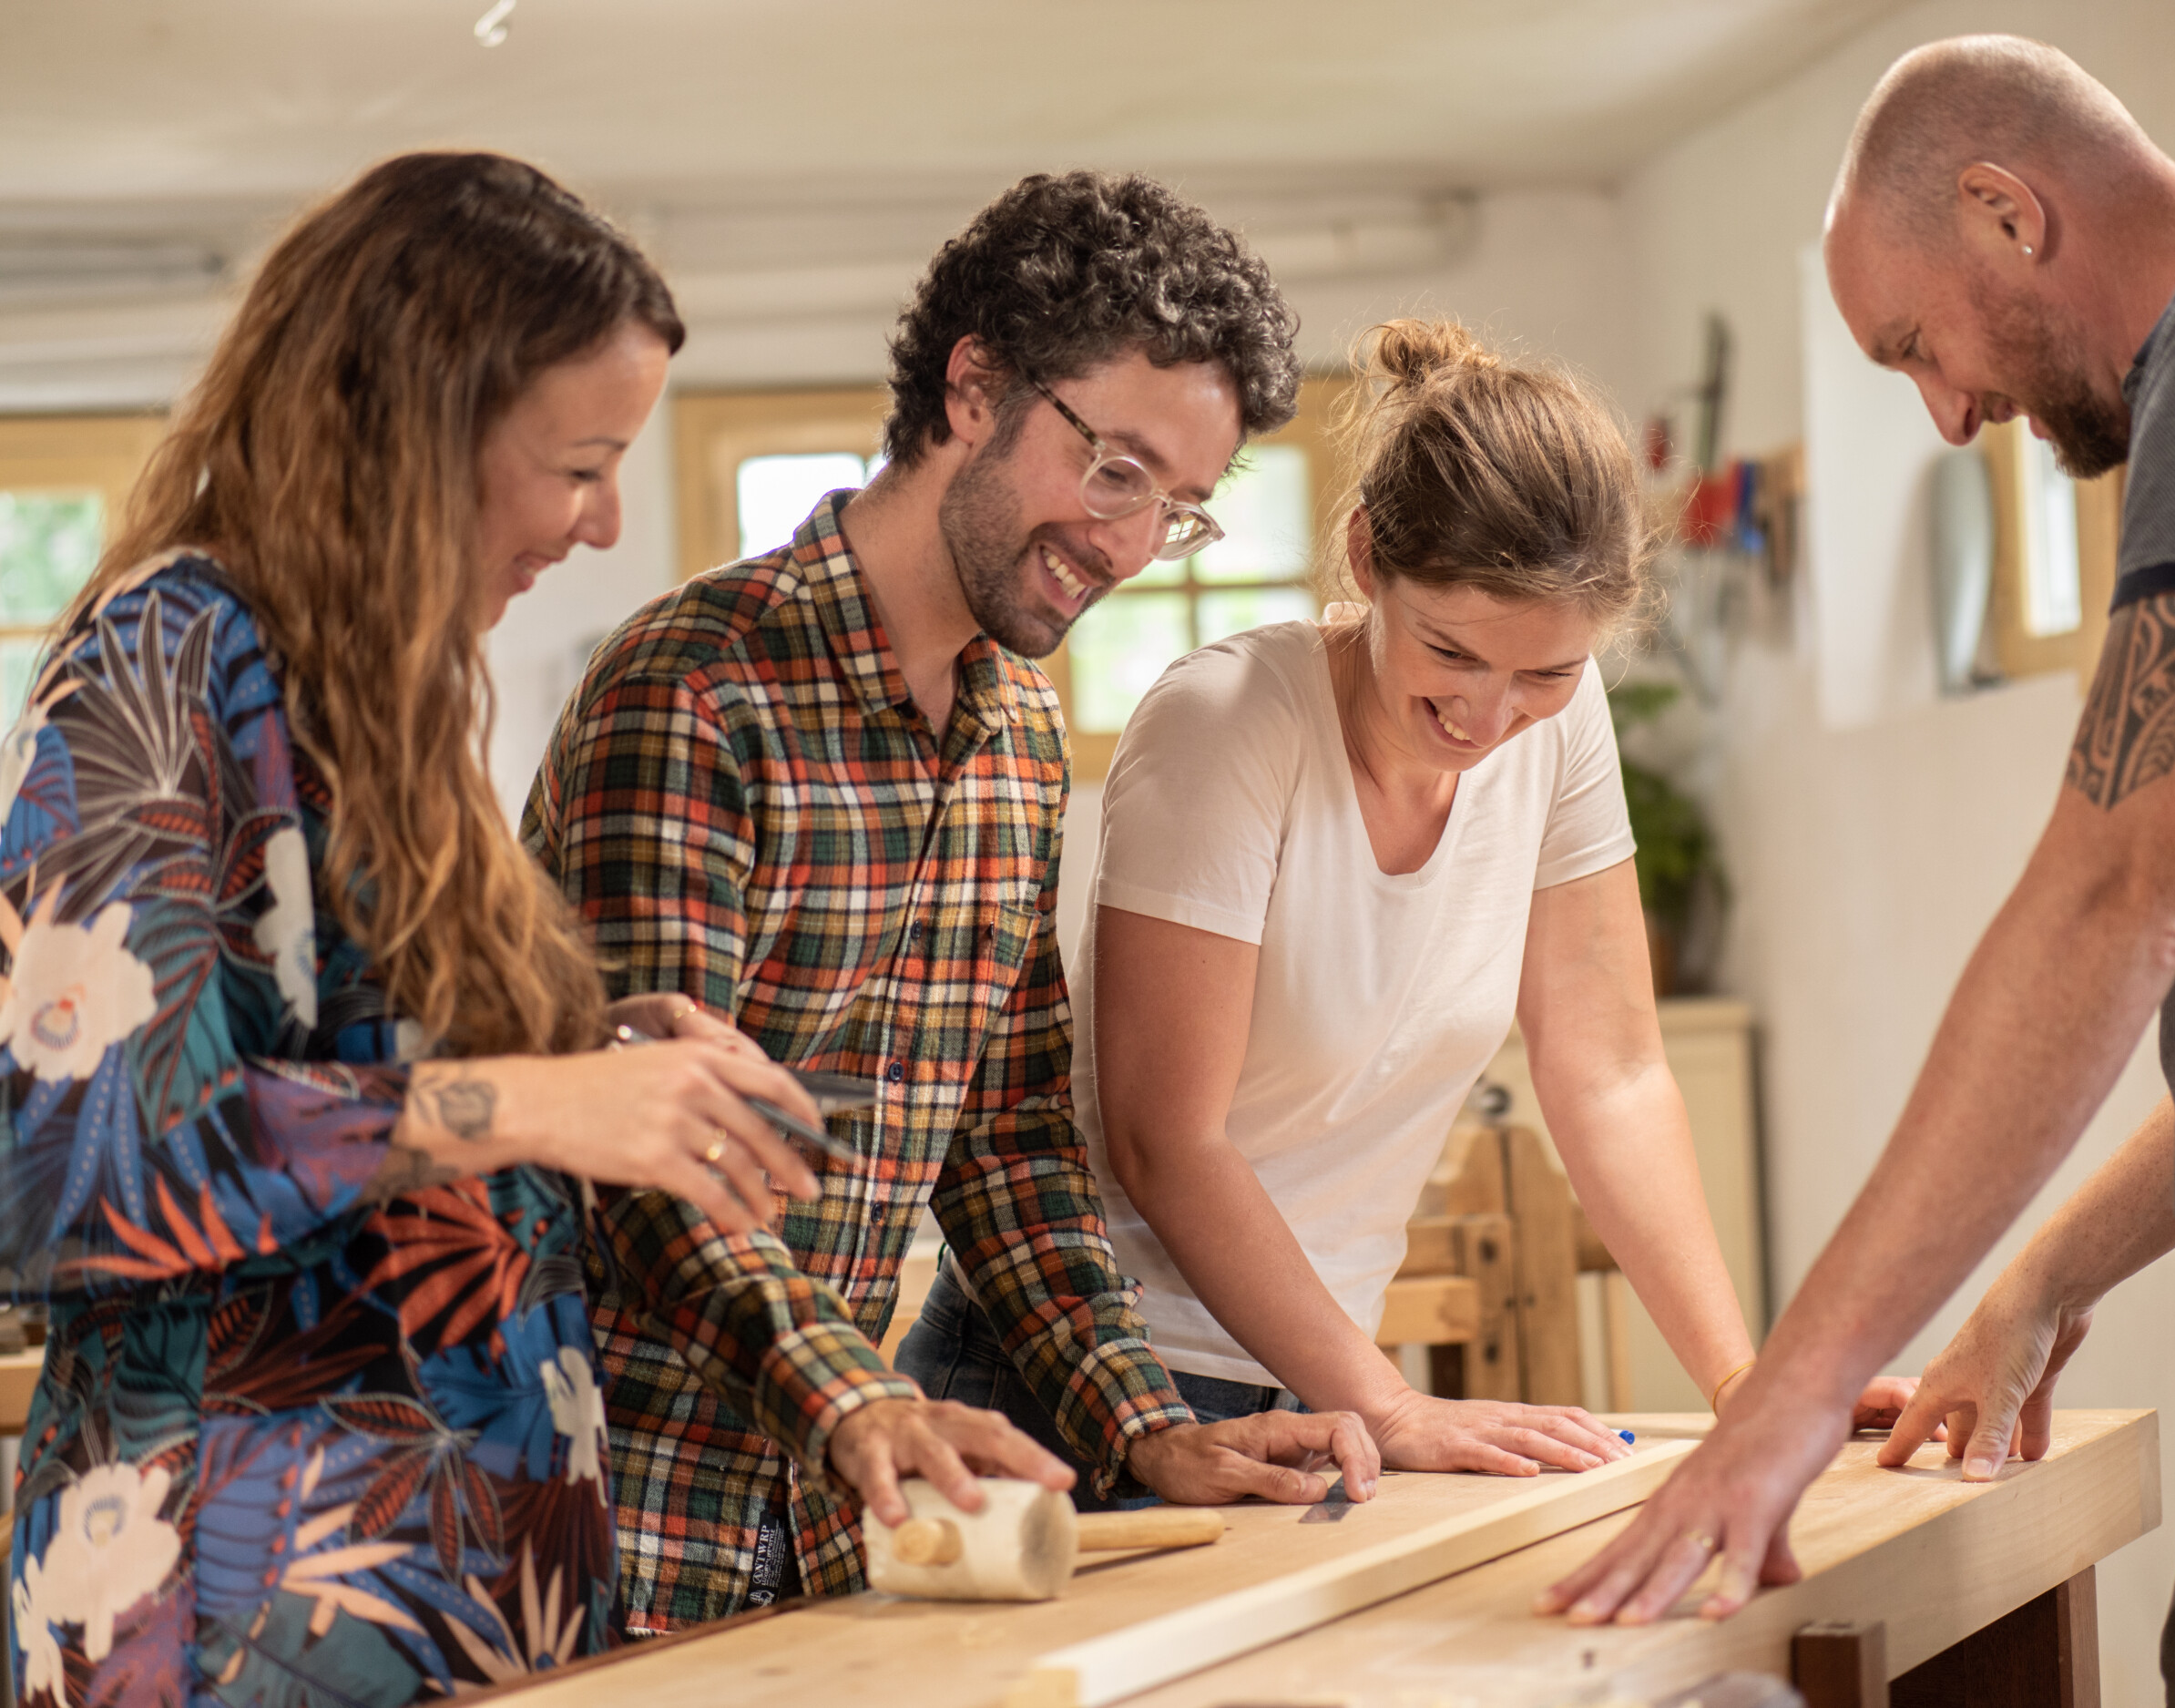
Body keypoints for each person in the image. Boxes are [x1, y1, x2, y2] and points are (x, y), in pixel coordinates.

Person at [0, 152, 850, 1703]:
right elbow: (67, 1163)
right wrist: (537, 1098)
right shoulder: (166, 652)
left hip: (468, 1605)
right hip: (239, 1623)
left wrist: (595, 1058)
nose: (602, 526)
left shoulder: (378, 691)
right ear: (419, 426)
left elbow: (338, 1065)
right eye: (581, 463)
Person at [524, 169, 1376, 1634]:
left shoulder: (1021, 738)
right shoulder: (696, 692)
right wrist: (859, 1398)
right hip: (611, 1521)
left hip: (840, 1537)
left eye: (1175, 509)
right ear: (973, 387)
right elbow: (648, 1158)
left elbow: (1009, 1140)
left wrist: (1143, 1422)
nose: (1123, 543)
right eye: (1115, 469)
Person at [1545, 39, 2175, 1687]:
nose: (1948, 416)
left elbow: (2114, 898)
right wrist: (2036, 1281)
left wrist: (1791, 1399)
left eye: (1916, 345)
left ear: (2007, 212)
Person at [898, 318, 1916, 1476]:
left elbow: (1611, 1072)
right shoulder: (1226, 725)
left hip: (1317, 1379)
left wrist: (1742, 1381)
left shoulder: (1558, 724)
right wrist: (1389, 1406)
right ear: (1368, 557)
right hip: (1086, 1379)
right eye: (1452, 656)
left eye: (1544, 671)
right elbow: (1162, 1137)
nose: (1490, 719)